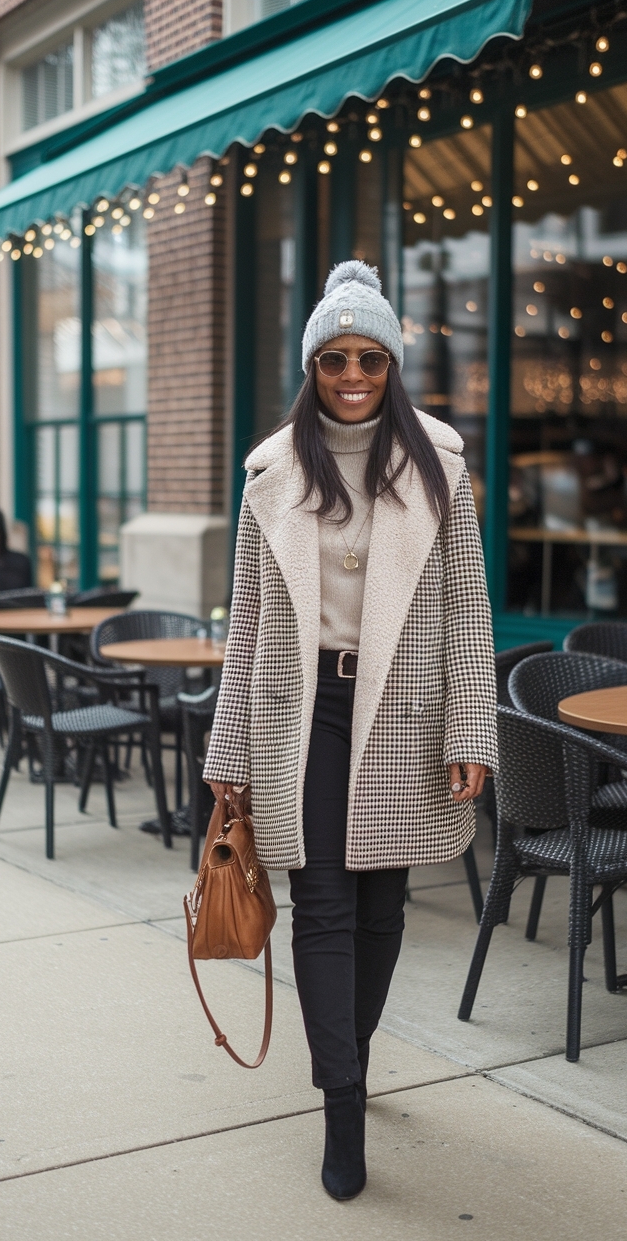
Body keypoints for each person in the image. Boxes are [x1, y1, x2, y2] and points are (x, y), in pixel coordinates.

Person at [204, 261, 497, 1201]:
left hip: (406, 708)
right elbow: (247, 622)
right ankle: (342, 1100)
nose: (354, 374)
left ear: (393, 363)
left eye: (371, 356)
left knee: (381, 911)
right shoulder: (272, 472)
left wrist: (471, 729)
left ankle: (350, 1053)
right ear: (312, 365)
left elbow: (466, 608)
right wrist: (230, 755)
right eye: (335, 358)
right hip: (305, 713)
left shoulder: (439, 466)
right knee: (321, 906)